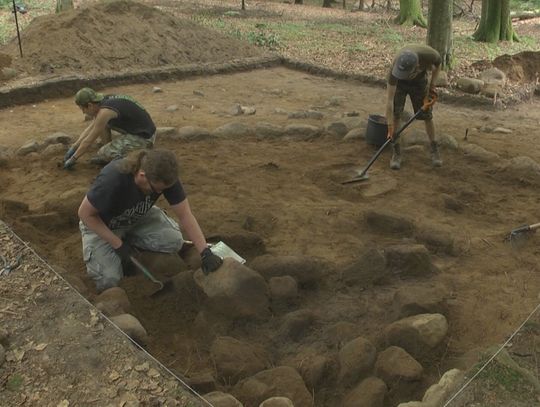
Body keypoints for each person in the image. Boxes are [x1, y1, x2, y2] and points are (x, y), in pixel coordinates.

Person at [77, 148, 223, 292]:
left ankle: (131, 241)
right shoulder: (113, 179)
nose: (159, 193)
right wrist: (118, 244)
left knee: (174, 241)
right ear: (142, 175)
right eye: (155, 189)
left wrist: (205, 252)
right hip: (103, 224)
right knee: (109, 281)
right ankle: (121, 245)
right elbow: (85, 213)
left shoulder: (166, 178)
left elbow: (185, 214)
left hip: (136, 216)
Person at [63, 87, 156, 169]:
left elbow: (89, 140)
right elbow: (91, 128)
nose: (83, 112)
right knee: (103, 126)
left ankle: (128, 157)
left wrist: (73, 158)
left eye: (83, 109)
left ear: (90, 105)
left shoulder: (105, 112)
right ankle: (110, 150)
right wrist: (74, 147)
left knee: (102, 153)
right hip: (143, 129)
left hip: (144, 137)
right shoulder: (105, 101)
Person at [385, 44, 442, 170]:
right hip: (400, 84)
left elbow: (438, 65)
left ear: (417, 67)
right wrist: (389, 127)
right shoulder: (394, 73)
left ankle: (434, 148)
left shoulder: (430, 55)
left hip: (419, 81)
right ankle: (396, 152)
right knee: (396, 114)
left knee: (427, 115)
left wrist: (432, 85)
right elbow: (389, 101)